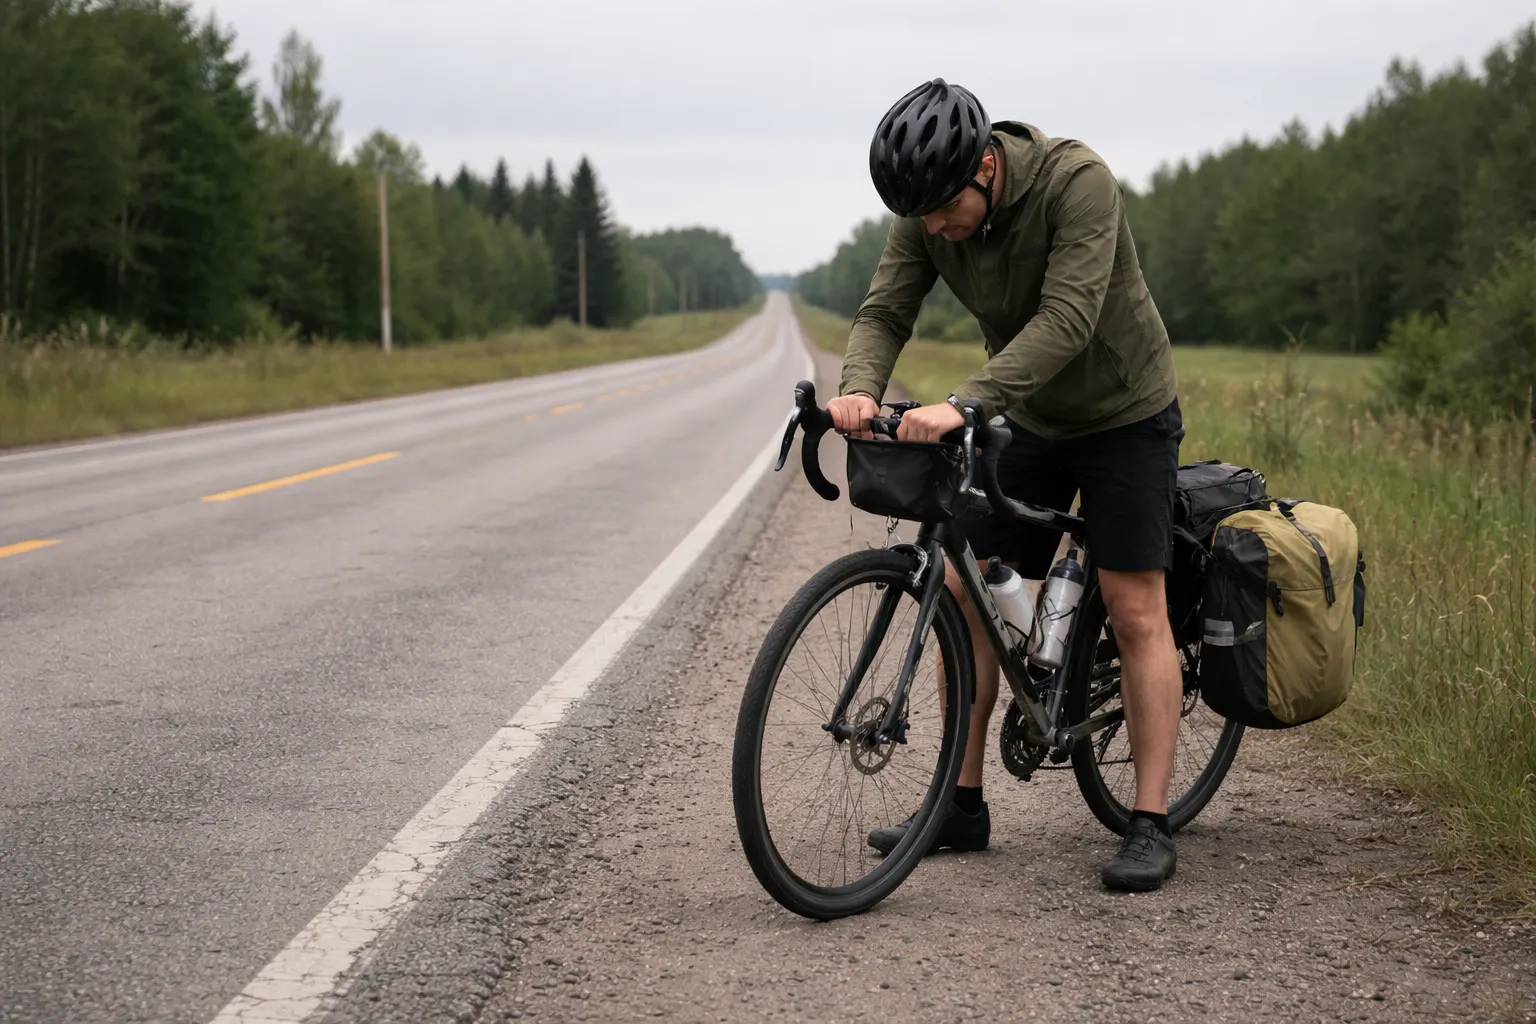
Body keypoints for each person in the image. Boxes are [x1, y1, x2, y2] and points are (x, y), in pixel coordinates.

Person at [826, 79, 1186, 892]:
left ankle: (1150, 821)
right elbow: (886, 312)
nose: (934, 229)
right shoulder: (929, 208)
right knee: (965, 593)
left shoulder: (1076, 183)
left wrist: (964, 404)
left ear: (987, 167)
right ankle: (962, 804)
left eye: (945, 210)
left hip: (1124, 416)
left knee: (1134, 609)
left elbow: (1070, 317)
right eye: (919, 215)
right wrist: (857, 387)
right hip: (1031, 419)